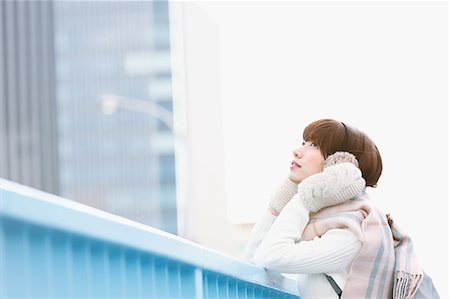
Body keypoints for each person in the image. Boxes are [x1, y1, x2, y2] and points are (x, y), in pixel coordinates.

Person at [244, 119, 439, 299]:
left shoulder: (352, 232)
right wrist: (279, 204)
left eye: (315, 145)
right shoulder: (317, 224)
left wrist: (306, 195)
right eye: (304, 142)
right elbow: (252, 267)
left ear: (338, 162)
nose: (297, 151)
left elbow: (268, 256)